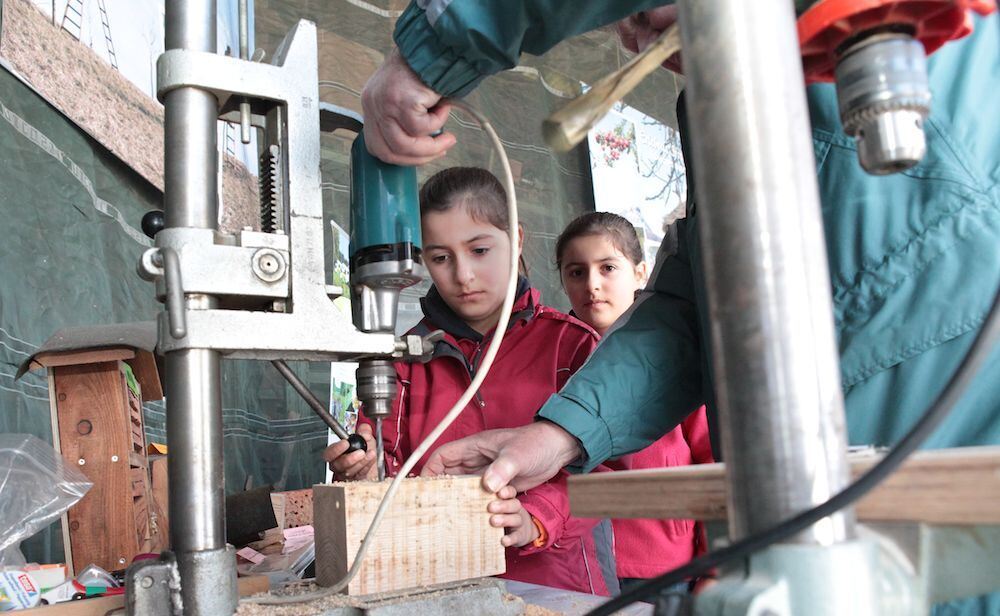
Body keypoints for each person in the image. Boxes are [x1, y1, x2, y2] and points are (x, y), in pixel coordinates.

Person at [359, 3, 1000, 613]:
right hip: (817, 546)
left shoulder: (897, 75)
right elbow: (700, 311)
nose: (630, 39)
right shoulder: (746, 101)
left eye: (637, 10)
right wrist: (557, 436)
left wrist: (432, 53)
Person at [323, 166, 618, 596]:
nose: (463, 276)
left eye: (480, 250)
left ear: (516, 239)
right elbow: (385, 464)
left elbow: (607, 472)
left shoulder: (571, 347)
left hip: (559, 586)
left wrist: (537, 515)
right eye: (440, 258)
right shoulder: (405, 358)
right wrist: (362, 470)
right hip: (438, 585)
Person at [555, 212, 714, 596]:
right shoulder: (555, 355)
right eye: (576, 272)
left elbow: (714, 464)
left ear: (642, 273)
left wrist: (716, 567)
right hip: (578, 567)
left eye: (607, 267)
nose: (592, 285)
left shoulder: (676, 358)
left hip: (663, 569)